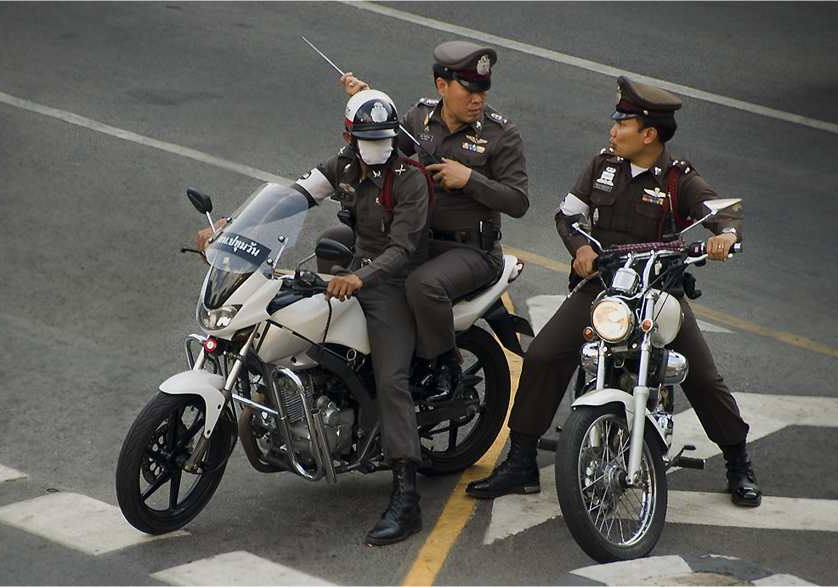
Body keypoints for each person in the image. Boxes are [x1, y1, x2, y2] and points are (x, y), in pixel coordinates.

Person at [466, 76, 762, 508]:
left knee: (701, 375)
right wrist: (581, 247)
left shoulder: (678, 179)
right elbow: (567, 216)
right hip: (602, 290)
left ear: (649, 134)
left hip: (658, 295)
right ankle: (521, 461)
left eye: (623, 124)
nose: (613, 130)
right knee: (546, 355)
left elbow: (724, 215)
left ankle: (738, 462)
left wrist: (724, 237)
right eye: (615, 122)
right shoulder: (603, 165)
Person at [198, 90, 431, 545]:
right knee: (290, 319)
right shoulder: (343, 164)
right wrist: (231, 231)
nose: (378, 147)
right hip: (354, 268)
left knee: (391, 381)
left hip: (395, 282)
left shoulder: (409, 178)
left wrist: (361, 280)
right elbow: (291, 198)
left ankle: (407, 498)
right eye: (367, 138)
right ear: (349, 135)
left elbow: (402, 251)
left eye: (384, 138)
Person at [335, 41, 529, 403]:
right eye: (469, 89)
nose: (478, 99)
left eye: (483, 90)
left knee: (423, 284)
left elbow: (519, 201)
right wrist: (368, 107)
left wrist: (469, 179)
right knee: (333, 241)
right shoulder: (418, 119)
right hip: (415, 239)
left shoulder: (501, 135)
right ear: (442, 87)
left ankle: (444, 364)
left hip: (470, 249)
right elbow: (381, 152)